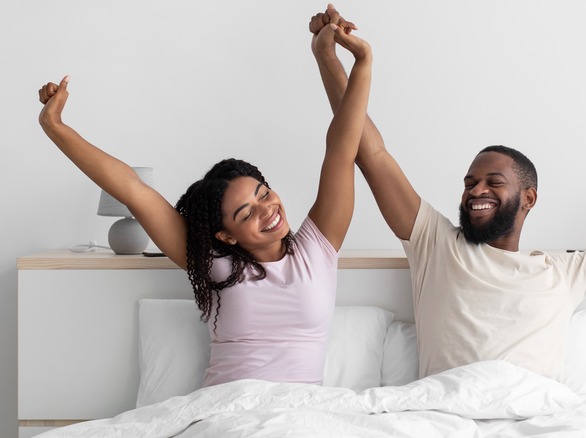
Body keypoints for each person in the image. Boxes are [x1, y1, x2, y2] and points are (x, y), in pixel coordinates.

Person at [309, 5, 586, 381]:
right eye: (469, 183)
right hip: (444, 417)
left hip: (535, 417)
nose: (475, 190)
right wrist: (328, 57)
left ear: (529, 198)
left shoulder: (563, 272)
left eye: (492, 182)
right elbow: (372, 153)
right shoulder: (435, 243)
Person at [37, 21, 372, 387]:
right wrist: (56, 126)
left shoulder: (316, 250)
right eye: (245, 213)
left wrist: (361, 63)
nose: (267, 209)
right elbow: (134, 190)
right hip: (226, 413)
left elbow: (341, 150)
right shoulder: (216, 266)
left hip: (300, 416)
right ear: (226, 235)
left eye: (263, 193)